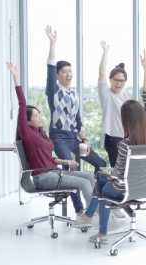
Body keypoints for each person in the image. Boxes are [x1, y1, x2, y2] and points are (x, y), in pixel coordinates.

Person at [71, 48, 146, 243]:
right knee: (106, 178)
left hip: (128, 186)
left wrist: (107, 172)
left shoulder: (125, 145)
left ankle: (99, 230)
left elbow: (118, 174)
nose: (119, 83)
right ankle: (89, 218)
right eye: (116, 80)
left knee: (102, 182)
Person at [6, 61, 95, 209]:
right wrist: (16, 78)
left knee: (90, 176)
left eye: (39, 114)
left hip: (53, 173)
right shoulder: (26, 132)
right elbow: (22, 102)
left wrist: (67, 163)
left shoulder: (41, 134)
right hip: (43, 178)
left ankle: (93, 214)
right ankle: (89, 216)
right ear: (27, 121)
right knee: (83, 182)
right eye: (35, 116)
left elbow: (49, 158)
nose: (40, 117)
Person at [44, 25, 107, 219]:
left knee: (101, 163)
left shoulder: (75, 94)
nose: (68, 74)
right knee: (71, 170)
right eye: (64, 71)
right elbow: (50, 66)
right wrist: (53, 43)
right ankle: (80, 210)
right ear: (57, 75)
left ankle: (101, 201)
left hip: (75, 138)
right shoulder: (53, 91)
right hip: (59, 137)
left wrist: (85, 140)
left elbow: (79, 121)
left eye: (70, 71)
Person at [96, 40, 131, 219]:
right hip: (113, 138)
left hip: (127, 139)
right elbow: (101, 73)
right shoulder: (106, 94)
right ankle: (115, 205)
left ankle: (121, 201)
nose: (119, 83)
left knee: (126, 172)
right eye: (116, 80)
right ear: (110, 80)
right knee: (117, 172)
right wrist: (105, 52)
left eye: (122, 81)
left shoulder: (128, 96)